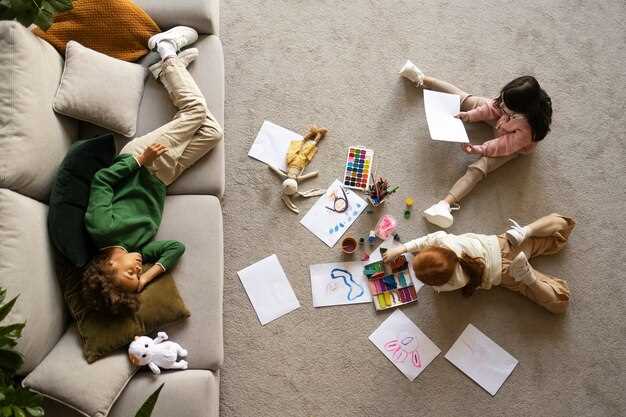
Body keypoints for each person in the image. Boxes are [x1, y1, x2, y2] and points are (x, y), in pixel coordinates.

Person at [81, 26, 223, 314]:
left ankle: (166, 49)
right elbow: (175, 249)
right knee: (212, 132)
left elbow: (103, 181)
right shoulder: (140, 250)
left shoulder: (100, 229)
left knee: (194, 111)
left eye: (130, 273)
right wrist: (145, 279)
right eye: (137, 273)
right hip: (164, 178)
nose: (137, 268)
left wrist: (140, 160)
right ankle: (169, 73)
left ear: (109, 265)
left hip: (144, 161)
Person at [399, 61, 553, 228]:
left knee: (480, 168)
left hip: (512, 144)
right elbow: (491, 108)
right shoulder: (507, 101)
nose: (501, 104)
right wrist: (469, 115)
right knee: (467, 99)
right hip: (502, 122)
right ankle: (423, 78)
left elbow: (503, 145)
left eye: (505, 106)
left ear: (520, 111)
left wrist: (479, 149)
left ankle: (445, 205)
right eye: (502, 100)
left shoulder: (526, 131)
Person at [382, 213, 574, 314]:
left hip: (506, 273)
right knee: (561, 227)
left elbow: (437, 289)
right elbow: (426, 240)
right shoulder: (444, 241)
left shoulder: (452, 283)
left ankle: (530, 280)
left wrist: (400, 250)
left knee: (560, 304)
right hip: (506, 243)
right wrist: (402, 249)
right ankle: (527, 230)